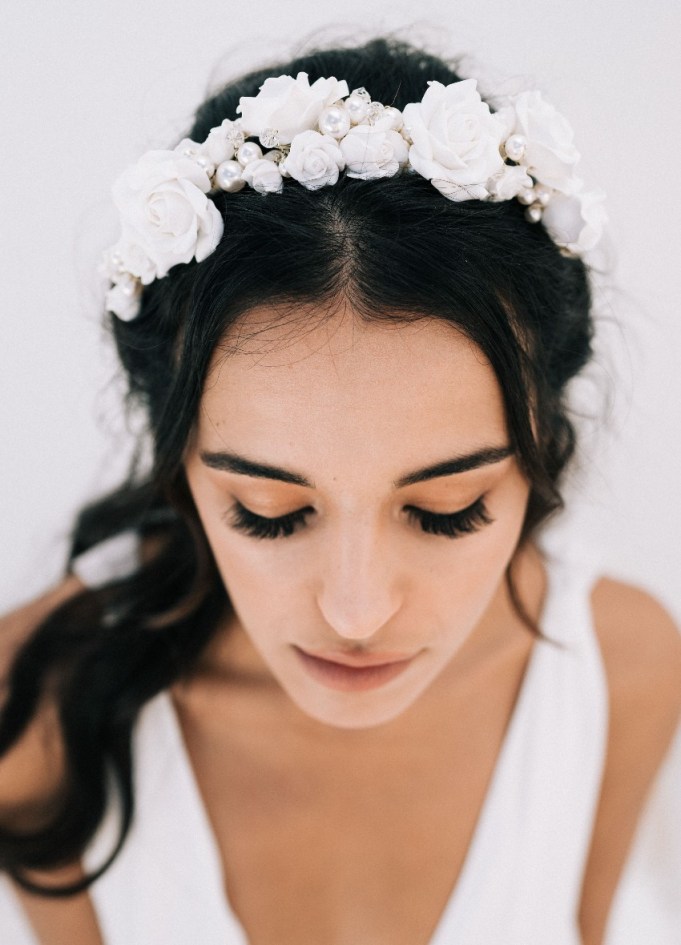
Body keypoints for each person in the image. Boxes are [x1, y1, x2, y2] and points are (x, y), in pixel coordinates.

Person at [1, 36, 680, 945]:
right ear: (179, 464)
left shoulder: (622, 669)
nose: (357, 609)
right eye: (269, 514)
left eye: (448, 511)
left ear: (538, 458)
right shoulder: (36, 707)